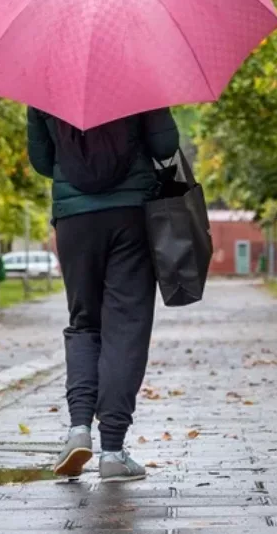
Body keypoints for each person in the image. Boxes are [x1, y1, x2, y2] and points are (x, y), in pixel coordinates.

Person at [27, 106, 179, 483]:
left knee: (83, 323)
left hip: (74, 219)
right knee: (125, 329)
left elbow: (42, 161)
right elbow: (166, 146)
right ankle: (112, 450)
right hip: (131, 217)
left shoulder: (45, 86)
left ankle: (79, 429)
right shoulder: (139, 75)